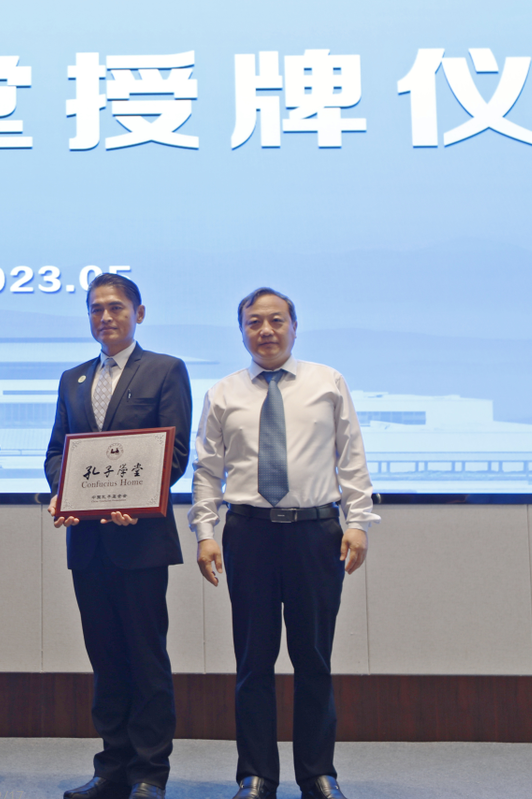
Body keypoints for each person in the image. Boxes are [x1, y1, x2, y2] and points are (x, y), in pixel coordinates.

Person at [189, 288, 378, 799]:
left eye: (276, 320)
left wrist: (358, 522)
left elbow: (352, 457)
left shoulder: (327, 382)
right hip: (248, 533)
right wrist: (205, 533)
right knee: (253, 660)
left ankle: (318, 773)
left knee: (313, 658)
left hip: (316, 533)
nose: (266, 330)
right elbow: (206, 471)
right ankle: (256, 775)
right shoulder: (223, 393)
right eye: (254, 322)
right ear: (242, 331)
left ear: (295, 327)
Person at [44, 273, 193, 799]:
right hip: (87, 544)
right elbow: (58, 452)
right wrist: (62, 492)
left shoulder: (166, 370)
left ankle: (149, 771)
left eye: (116, 307)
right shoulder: (73, 378)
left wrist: (136, 498)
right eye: (95, 309)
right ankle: (112, 767)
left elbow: (174, 453)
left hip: (142, 542)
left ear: (139, 313)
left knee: (146, 658)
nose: (105, 317)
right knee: (105, 659)